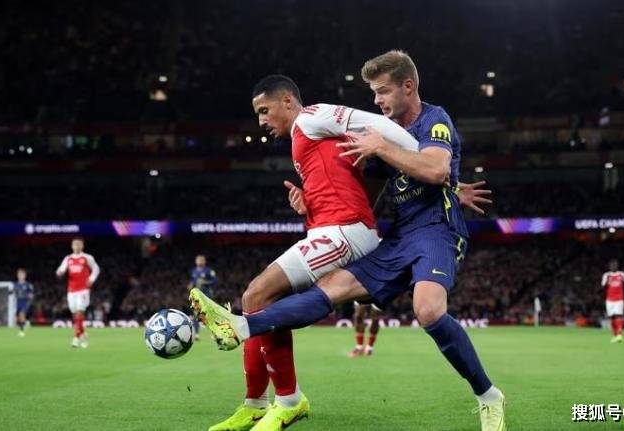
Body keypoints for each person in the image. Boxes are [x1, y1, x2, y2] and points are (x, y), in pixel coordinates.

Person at [191, 51, 505, 431]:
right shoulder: (379, 138)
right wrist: (313, 202)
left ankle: (488, 395)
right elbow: (363, 200)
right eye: (373, 93)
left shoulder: (433, 120)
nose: (377, 100)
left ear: (408, 86)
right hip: (398, 235)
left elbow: (436, 168)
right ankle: (247, 337)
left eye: (383, 91)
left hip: (435, 230)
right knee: (331, 287)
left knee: (427, 310)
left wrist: (414, 164)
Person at [56, 237, 100, 348]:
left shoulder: (87, 257)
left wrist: (91, 279)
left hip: (83, 290)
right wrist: (60, 272)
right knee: (75, 314)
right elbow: (61, 269)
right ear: (72, 246)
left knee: (80, 312)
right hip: (71, 290)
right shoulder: (68, 258)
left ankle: (76, 338)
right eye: (75, 244)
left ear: (82, 246)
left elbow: (96, 268)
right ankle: (83, 335)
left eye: (79, 244)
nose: (77, 246)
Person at [187, 255, 217, 341]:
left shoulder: (208, 270)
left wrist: (205, 282)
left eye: (201, 260)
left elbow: (215, 280)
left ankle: (215, 333)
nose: (199, 261)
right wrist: (190, 284)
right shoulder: (194, 271)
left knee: (209, 314)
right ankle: (196, 334)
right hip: (197, 296)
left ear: (204, 261)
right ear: (196, 261)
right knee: (196, 314)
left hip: (207, 296)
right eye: (198, 260)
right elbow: (193, 280)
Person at [601, 260, 624, 343]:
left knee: (618, 315)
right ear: (609, 267)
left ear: (617, 266)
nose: (613, 266)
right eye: (612, 265)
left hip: (619, 299)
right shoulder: (606, 275)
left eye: (615, 265)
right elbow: (602, 287)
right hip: (609, 299)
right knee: (612, 317)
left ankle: (620, 334)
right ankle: (615, 335)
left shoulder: (622, 275)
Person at [11, 268, 34, 337]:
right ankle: (25, 323)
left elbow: (31, 295)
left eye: (22, 275)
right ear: (17, 276)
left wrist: (28, 296)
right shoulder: (15, 285)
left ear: (25, 276)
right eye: (19, 275)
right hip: (17, 302)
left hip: (25, 302)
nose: (20, 276)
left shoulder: (28, 285)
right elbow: (12, 293)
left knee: (22, 314)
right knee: (17, 319)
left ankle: (22, 331)